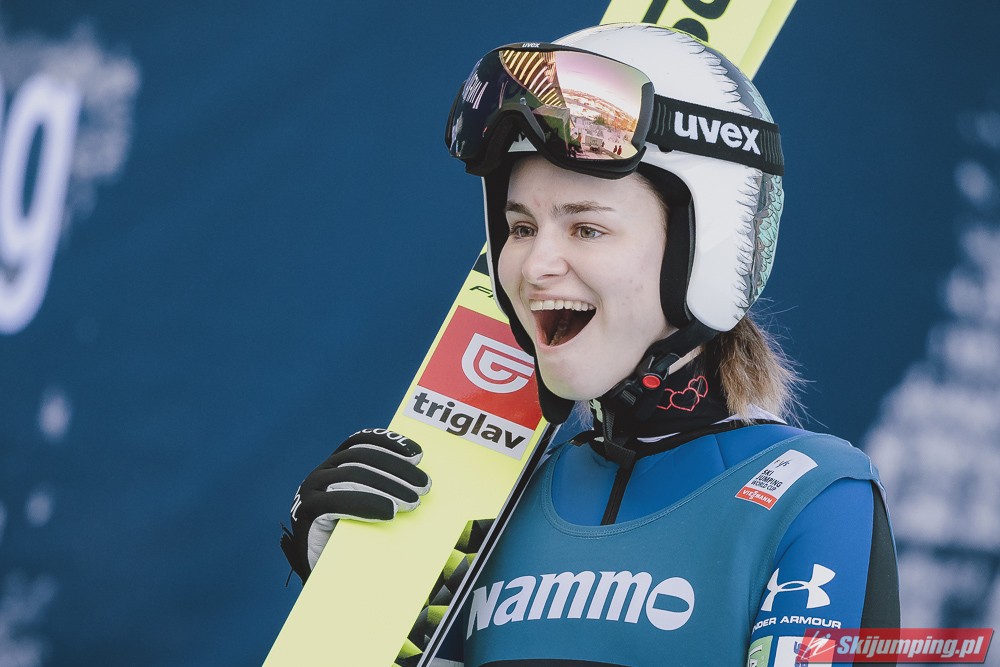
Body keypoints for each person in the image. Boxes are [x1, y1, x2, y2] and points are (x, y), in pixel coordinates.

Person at [281, 23, 899, 666]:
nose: (535, 265)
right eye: (521, 227)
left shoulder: (812, 494)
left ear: (704, 252)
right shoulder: (489, 505)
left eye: (586, 228)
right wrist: (354, 599)